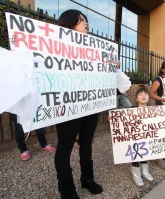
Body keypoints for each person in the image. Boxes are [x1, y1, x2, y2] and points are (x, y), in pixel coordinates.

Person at [55, 10, 103, 198]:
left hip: (90, 103)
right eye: (81, 20)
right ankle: (66, 189)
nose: (86, 23)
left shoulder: (94, 49)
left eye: (86, 20)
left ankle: (87, 179)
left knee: (86, 143)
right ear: (69, 23)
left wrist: (109, 66)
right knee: (65, 147)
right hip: (69, 105)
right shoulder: (56, 46)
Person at [131, 87, 154, 186]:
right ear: (136, 99)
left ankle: (145, 171)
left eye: (146, 94)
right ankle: (136, 175)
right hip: (134, 138)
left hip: (147, 137)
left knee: (146, 152)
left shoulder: (154, 111)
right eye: (140, 94)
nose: (143, 95)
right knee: (135, 154)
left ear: (149, 98)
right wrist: (113, 118)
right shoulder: (130, 110)